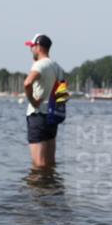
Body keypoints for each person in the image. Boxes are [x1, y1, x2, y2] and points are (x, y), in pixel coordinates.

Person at [23, 33, 66, 168]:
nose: (31, 50)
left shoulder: (39, 65)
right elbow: (63, 95)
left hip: (38, 116)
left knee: (38, 165)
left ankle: (39, 182)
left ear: (39, 47)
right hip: (52, 118)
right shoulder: (58, 67)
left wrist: (33, 101)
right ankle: (50, 182)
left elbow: (27, 83)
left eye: (32, 46)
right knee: (50, 164)